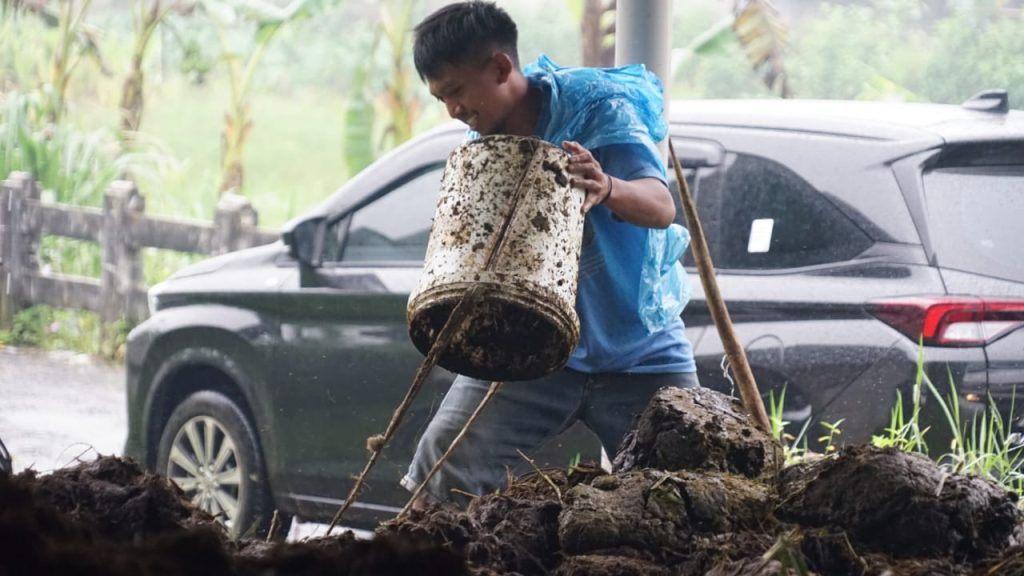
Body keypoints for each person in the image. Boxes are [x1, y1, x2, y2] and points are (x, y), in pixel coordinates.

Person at [402, 0, 698, 507]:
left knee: (693, 483)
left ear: (500, 67)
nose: (452, 110)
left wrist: (606, 186)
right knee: (444, 463)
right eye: (440, 99)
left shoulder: (601, 109)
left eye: (455, 91)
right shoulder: (483, 143)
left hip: (640, 349)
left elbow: (661, 205)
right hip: (532, 346)